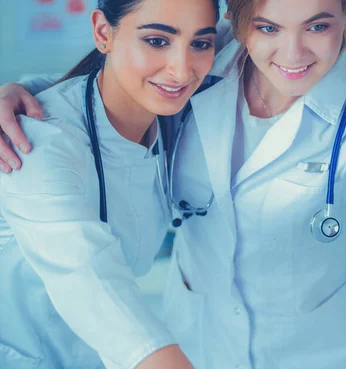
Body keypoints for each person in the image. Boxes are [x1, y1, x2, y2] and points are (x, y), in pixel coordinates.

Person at [0, 0, 346, 368]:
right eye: (267, 27)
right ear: (240, 22)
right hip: (174, 343)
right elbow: (91, 281)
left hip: (314, 351)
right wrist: (24, 92)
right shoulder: (40, 140)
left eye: (318, 25)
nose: (293, 51)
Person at [0, 0, 219, 368]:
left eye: (200, 43)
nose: (181, 70)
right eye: (156, 41)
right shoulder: (35, 146)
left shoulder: (164, 122)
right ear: (103, 32)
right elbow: (92, 285)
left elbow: (274, 36)